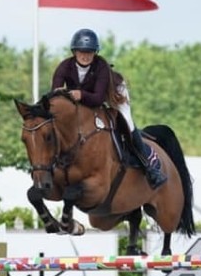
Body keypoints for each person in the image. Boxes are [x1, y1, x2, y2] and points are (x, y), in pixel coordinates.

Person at [51, 28, 166, 189]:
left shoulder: (101, 66)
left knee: (127, 123)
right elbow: (55, 98)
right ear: (74, 52)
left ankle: (149, 166)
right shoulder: (64, 67)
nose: (85, 55)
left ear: (95, 52)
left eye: (89, 52)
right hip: (83, 100)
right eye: (81, 51)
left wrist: (80, 94)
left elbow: (98, 98)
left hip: (114, 94)